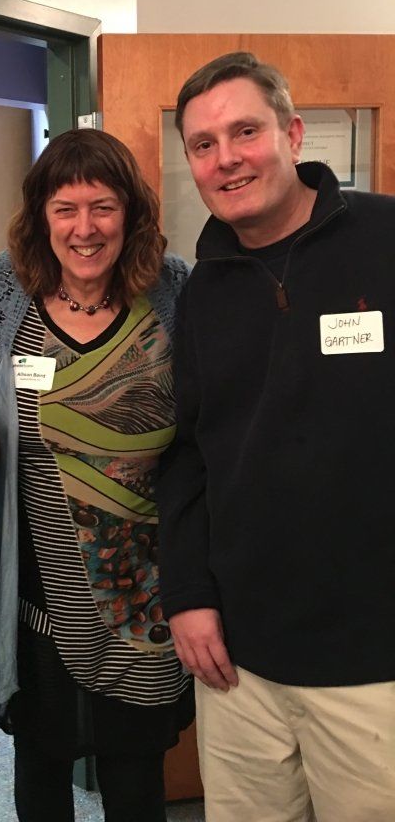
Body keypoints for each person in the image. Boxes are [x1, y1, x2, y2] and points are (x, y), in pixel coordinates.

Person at [158, 52, 395, 821]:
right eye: (203, 144)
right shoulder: (203, 292)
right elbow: (188, 455)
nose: (226, 158)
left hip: (373, 663)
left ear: (292, 134)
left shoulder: (385, 239)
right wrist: (188, 597)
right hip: (240, 663)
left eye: (246, 131)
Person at [0, 129, 194, 822]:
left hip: (147, 598)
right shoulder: (3, 289)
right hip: (36, 595)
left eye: (103, 207)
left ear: (131, 212)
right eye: (65, 208)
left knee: (135, 779)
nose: (84, 228)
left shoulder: (174, 289)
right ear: (41, 216)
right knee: (40, 767)